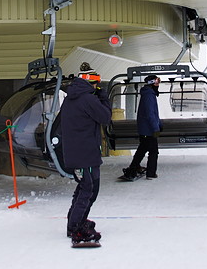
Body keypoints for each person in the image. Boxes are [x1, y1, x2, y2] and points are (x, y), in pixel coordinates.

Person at [61, 64, 112, 245]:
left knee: (85, 188)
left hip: (78, 153)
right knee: (88, 190)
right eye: (96, 83)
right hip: (86, 153)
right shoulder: (87, 99)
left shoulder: (70, 98)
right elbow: (105, 117)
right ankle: (76, 228)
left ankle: (76, 222)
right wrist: (103, 97)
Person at [122, 74, 163, 180]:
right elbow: (150, 114)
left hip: (145, 128)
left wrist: (159, 124)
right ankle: (151, 173)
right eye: (157, 82)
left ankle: (133, 168)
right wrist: (155, 128)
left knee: (142, 149)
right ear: (152, 83)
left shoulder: (149, 94)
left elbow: (154, 113)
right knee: (153, 151)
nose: (158, 85)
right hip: (148, 130)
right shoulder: (149, 95)